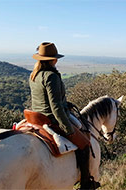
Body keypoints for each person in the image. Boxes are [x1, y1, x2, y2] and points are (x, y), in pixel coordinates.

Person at [29, 42, 96, 189]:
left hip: (36, 117)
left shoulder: (34, 74)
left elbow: (46, 100)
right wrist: (68, 129)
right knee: (85, 144)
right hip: (52, 118)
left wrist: (66, 103)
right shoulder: (51, 76)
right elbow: (56, 107)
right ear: (53, 59)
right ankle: (85, 184)